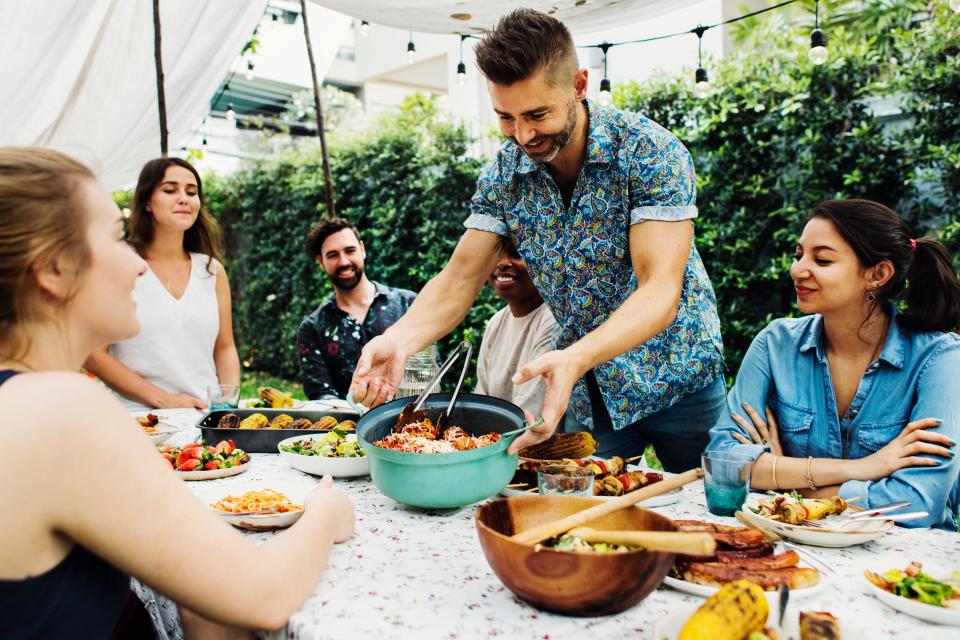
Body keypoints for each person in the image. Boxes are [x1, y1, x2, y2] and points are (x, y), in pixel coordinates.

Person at [0, 148, 356, 636]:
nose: (138, 266)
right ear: (53, 270)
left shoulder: (22, 402)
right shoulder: (58, 410)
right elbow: (262, 594)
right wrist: (326, 511)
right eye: (113, 237)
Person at [350, 9, 725, 470]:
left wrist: (574, 356)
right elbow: (459, 278)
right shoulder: (505, 174)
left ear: (579, 85)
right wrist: (399, 340)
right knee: (587, 521)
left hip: (678, 375)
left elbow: (660, 290)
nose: (523, 135)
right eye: (505, 117)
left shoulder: (650, 152)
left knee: (710, 514)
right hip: (587, 386)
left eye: (537, 114)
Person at [706, 199, 960, 530]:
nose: (797, 269)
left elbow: (918, 503)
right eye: (799, 255)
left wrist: (786, 476)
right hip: (793, 545)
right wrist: (864, 467)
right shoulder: (774, 344)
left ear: (878, 274)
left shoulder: (940, 360)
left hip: (902, 562)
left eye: (822, 260)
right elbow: (724, 462)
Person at [84, 157, 239, 410]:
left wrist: (228, 405)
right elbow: (93, 354)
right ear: (147, 202)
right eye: (170, 190)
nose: (184, 198)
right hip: (138, 420)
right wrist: (162, 399)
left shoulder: (212, 270)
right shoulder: (119, 262)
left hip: (203, 418)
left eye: (192, 192)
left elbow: (225, 347)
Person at [298, 217, 416, 400]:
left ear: (362, 249)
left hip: (413, 422)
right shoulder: (312, 328)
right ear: (320, 261)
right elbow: (321, 396)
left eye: (349, 250)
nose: (344, 261)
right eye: (333, 255)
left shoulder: (407, 304)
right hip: (347, 426)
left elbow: (430, 369)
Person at [474, 239, 556, 416]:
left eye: (517, 254)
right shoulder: (495, 323)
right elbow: (482, 400)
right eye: (495, 255)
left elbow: (529, 414)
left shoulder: (553, 320)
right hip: (496, 436)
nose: (502, 263)